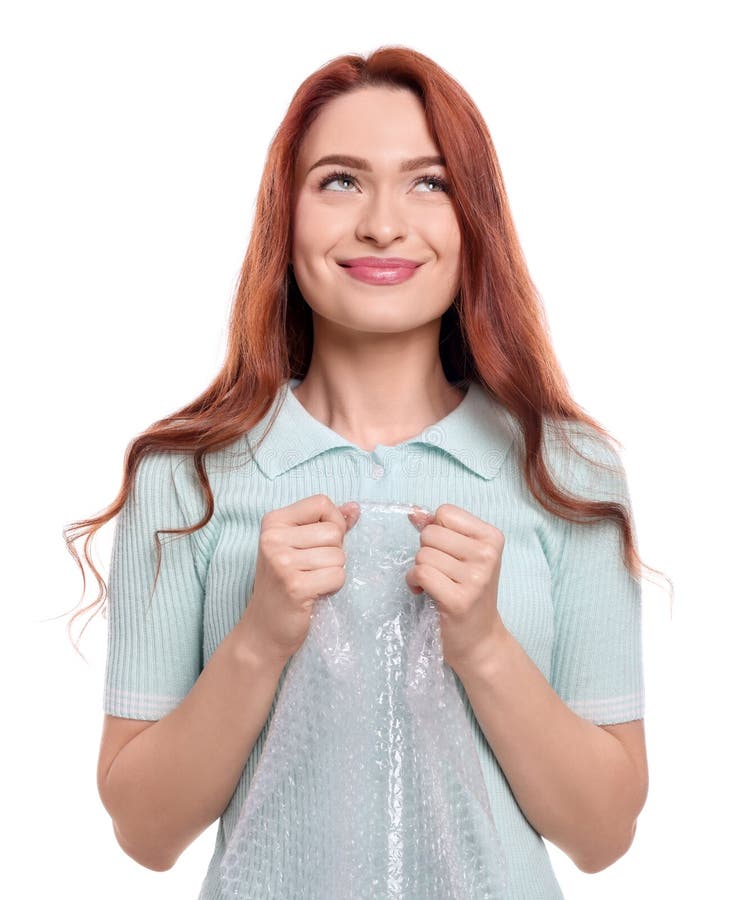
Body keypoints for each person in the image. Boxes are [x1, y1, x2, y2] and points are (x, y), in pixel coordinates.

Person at [65, 46, 657, 899]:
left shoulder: (566, 471)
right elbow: (146, 835)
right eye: (340, 181)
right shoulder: (185, 477)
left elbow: (602, 836)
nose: (383, 224)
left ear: (474, 219)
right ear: (285, 215)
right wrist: (260, 634)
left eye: (429, 182)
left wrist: (485, 645)